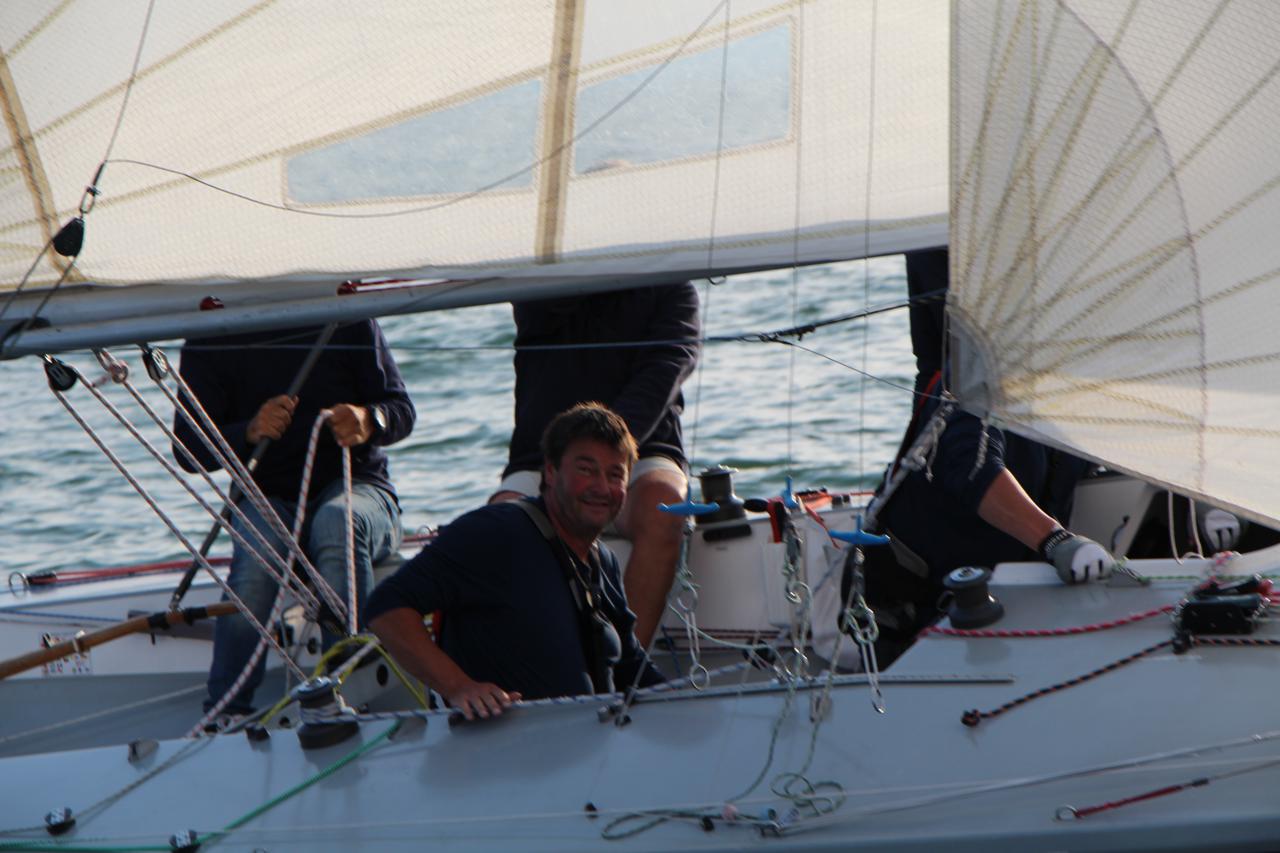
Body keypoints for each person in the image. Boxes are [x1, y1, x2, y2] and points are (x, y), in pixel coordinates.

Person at [850, 249, 1115, 665]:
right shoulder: (978, 378)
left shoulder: (1069, 388)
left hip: (1007, 601)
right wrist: (1056, 541)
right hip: (923, 620)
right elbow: (971, 467)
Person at [173, 320, 415, 714]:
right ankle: (226, 710)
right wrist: (248, 431)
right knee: (257, 557)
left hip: (360, 488)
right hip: (269, 498)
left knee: (337, 523)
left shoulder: (346, 316)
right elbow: (187, 447)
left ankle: (348, 692)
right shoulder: (212, 333)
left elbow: (401, 410)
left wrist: (369, 419)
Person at [368, 402, 663, 720]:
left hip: (592, 735)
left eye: (615, 474)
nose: (602, 487)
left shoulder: (603, 561)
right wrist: (459, 687)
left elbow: (632, 668)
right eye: (586, 469)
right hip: (504, 742)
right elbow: (386, 607)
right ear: (551, 472)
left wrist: (692, 702)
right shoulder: (499, 531)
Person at [488, 283, 700, 648]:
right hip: (544, 458)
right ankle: (544, 664)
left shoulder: (671, 284)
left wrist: (605, 452)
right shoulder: (541, 285)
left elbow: (667, 366)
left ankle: (624, 664)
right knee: (501, 527)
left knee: (665, 506)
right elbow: (539, 311)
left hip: (641, 451)